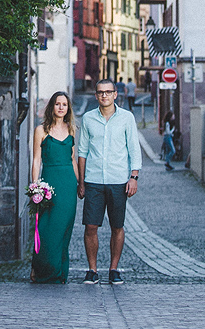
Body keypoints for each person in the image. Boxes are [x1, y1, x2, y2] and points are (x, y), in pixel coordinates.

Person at [76, 78, 142, 285]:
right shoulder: (87, 119)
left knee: (117, 226)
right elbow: (82, 152)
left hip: (118, 180)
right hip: (94, 179)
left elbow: (134, 149)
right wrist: (81, 182)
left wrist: (133, 177)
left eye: (108, 92)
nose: (104, 95)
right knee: (90, 226)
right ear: (96, 96)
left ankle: (114, 269)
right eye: (100, 92)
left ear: (115, 94)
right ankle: (92, 270)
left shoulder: (126, 118)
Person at [30, 91, 79, 284]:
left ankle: (59, 272)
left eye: (64, 104)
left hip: (68, 184)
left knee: (63, 229)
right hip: (49, 182)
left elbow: (73, 159)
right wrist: (35, 187)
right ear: (52, 106)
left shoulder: (72, 129)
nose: (61, 107)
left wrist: (80, 183)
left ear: (68, 108)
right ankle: (41, 270)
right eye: (57, 104)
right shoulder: (41, 130)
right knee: (46, 228)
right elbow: (36, 160)